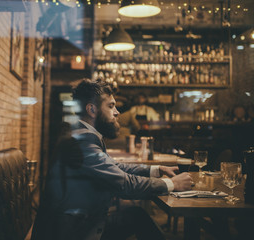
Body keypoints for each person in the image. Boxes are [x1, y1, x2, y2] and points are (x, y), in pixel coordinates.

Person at [31, 78, 192, 240]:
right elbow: (124, 184)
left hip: (76, 223)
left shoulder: (80, 133)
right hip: (73, 232)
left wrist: (157, 170)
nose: (117, 112)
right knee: (137, 217)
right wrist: (173, 183)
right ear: (92, 110)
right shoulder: (82, 140)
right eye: (111, 106)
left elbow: (115, 166)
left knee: (136, 215)